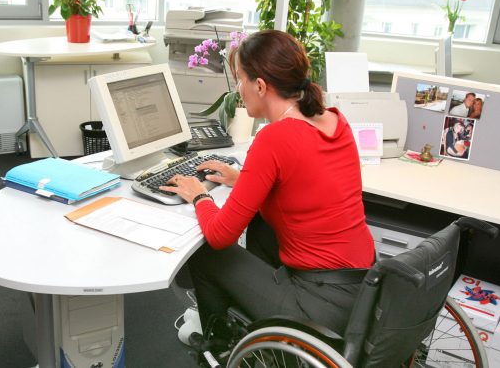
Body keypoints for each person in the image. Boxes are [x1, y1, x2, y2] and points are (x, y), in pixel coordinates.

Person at [159, 30, 375, 342]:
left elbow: (220, 236)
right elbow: (306, 186)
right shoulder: (335, 120)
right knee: (261, 224)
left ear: (260, 86)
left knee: (207, 253)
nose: (238, 89)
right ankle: (249, 317)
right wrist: (244, 180)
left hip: (319, 304)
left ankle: (218, 345)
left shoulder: (274, 139)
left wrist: (200, 195)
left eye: (240, 80)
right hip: (362, 289)